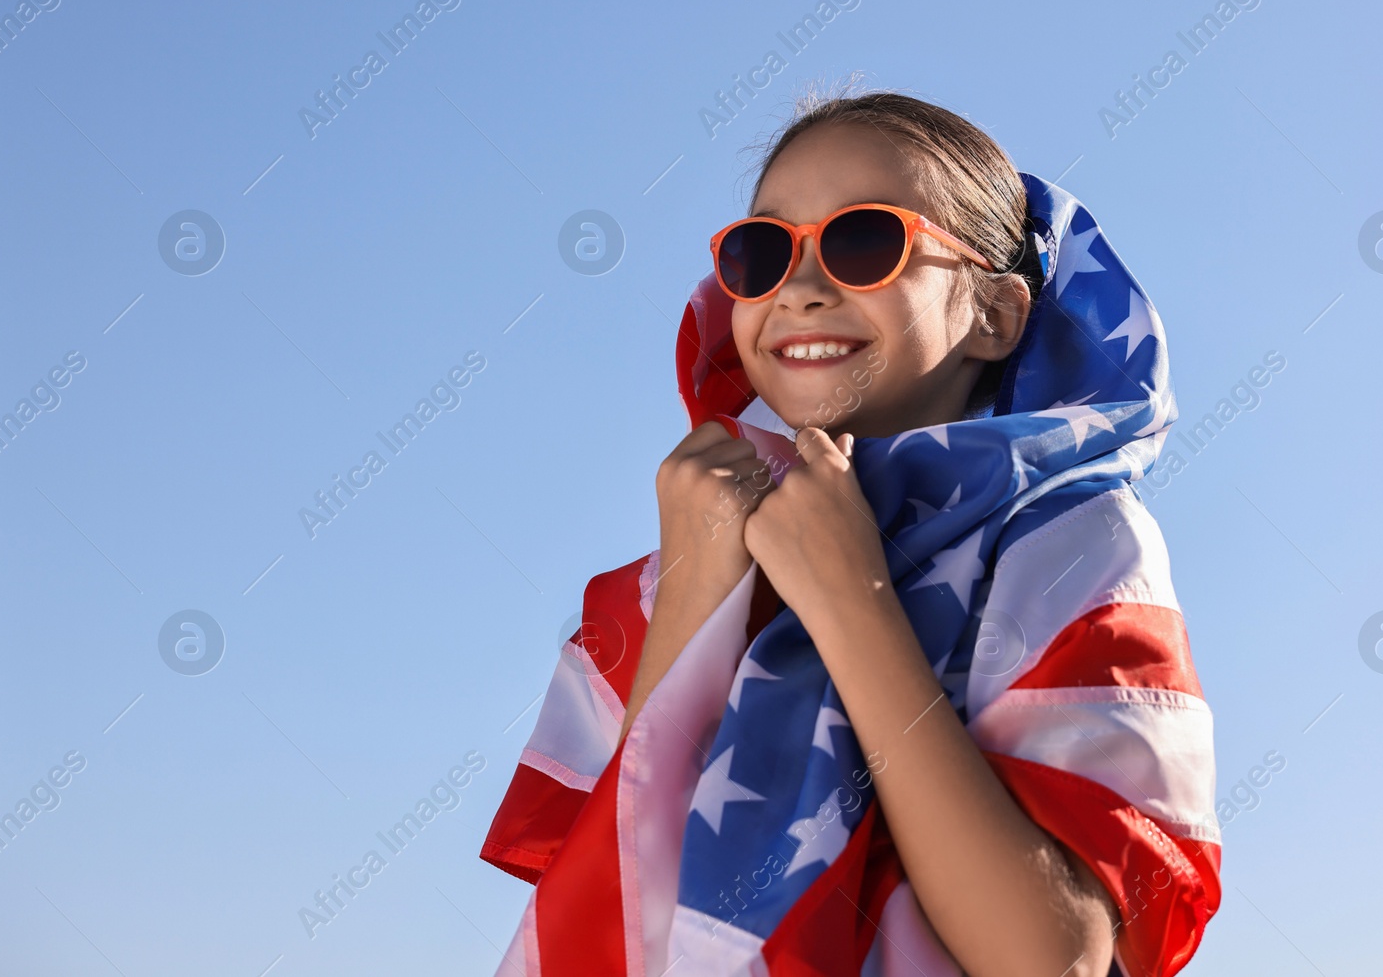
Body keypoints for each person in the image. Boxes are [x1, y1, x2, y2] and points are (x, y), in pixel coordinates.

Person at [480, 88, 1221, 977]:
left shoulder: (1066, 544)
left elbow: (1050, 958)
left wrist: (850, 598)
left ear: (995, 312)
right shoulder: (652, 584)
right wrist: (693, 590)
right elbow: (611, 918)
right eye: (761, 253)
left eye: (864, 240)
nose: (797, 287)